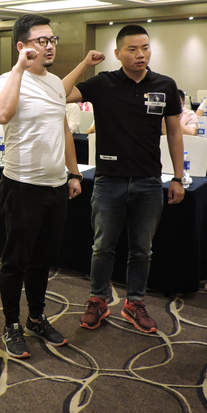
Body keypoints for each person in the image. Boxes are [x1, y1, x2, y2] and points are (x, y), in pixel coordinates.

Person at [64, 24, 185, 334]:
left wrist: (178, 177)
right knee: (102, 247)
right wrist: (84, 64)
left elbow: (174, 132)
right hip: (109, 181)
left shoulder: (165, 85)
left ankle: (135, 303)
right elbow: (59, 94)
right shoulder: (102, 83)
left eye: (145, 48)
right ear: (117, 53)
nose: (140, 54)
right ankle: (97, 300)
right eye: (132, 49)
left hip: (149, 181)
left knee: (142, 249)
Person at [0, 14, 82, 359]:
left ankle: (36, 318)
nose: (49, 46)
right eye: (41, 41)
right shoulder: (8, 79)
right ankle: (11, 324)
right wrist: (19, 68)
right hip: (22, 185)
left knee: (42, 260)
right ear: (22, 46)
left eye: (52, 40)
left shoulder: (56, 83)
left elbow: (63, 130)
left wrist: (73, 173)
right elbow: (0, 115)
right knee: (16, 260)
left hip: (55, 187)